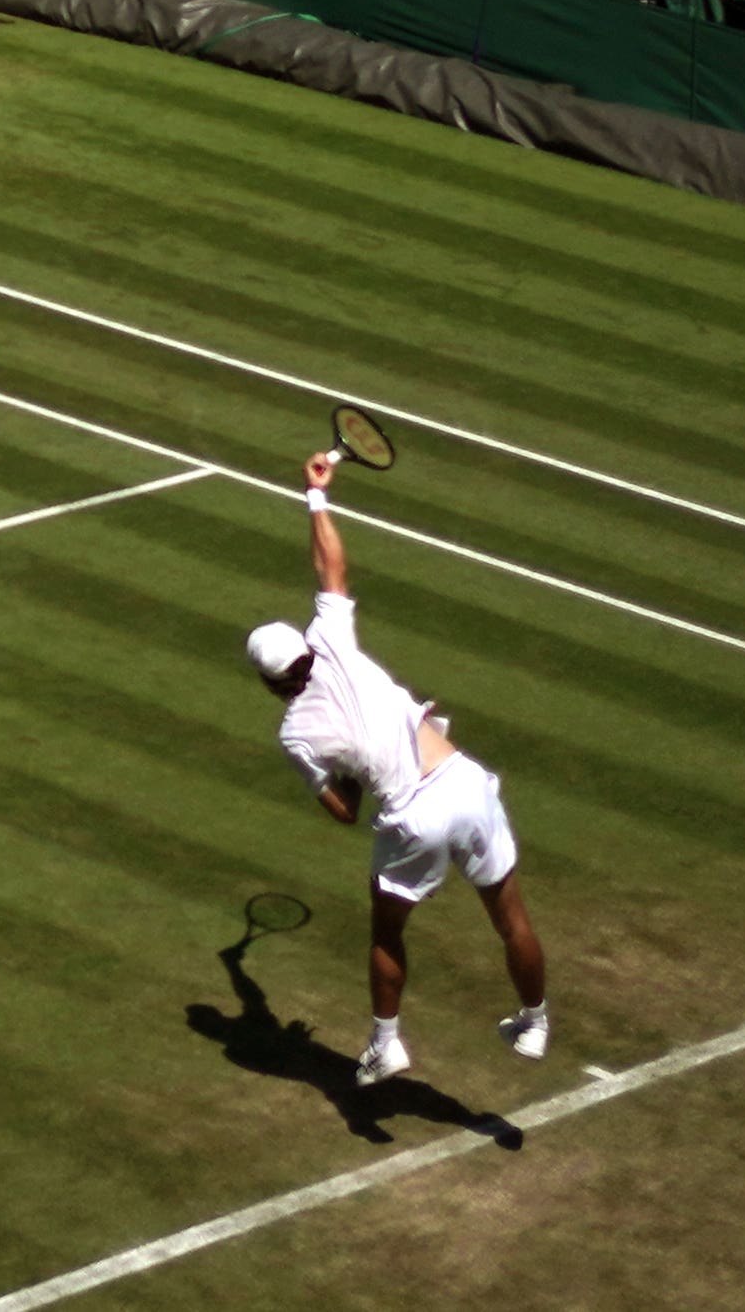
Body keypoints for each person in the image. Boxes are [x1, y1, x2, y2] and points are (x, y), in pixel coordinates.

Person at [245, 445, 552, 1086]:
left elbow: (342, 811)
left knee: (387, 931)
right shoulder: (329, 640)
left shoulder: (295, 734)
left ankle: (386, 1043)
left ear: (272, 684)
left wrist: (354, 766)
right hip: (467, 782)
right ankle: (535, 1021)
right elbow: (331, 565)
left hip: (414, 815)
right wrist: (316, 493)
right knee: (511, 917)